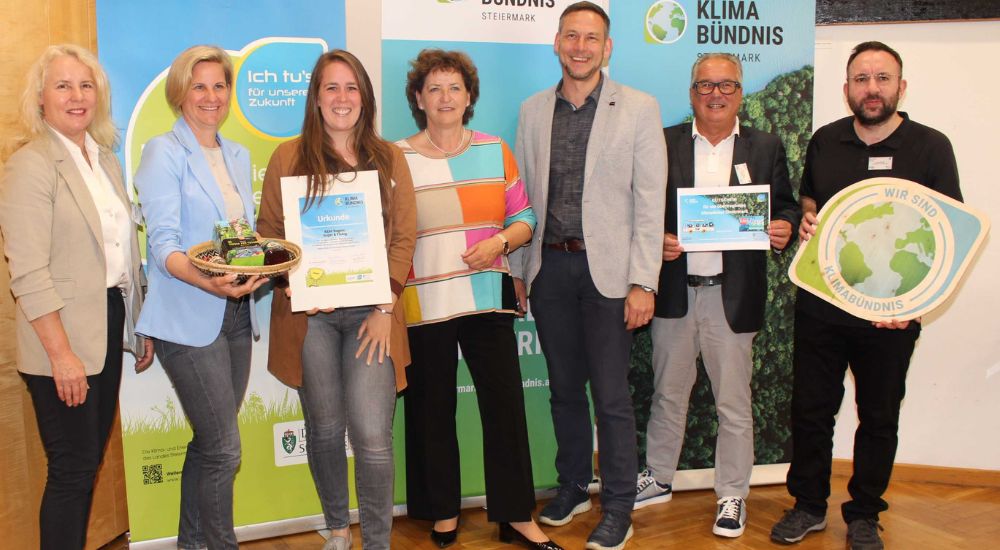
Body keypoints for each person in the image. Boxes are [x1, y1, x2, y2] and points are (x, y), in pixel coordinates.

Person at [769, 41, 962, 550]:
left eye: (881, 78)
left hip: (891, 315)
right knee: (811, 411)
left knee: (879, 416)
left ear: (901, 86)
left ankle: (864, 515)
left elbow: (948, 234)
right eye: (861, 78)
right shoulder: (825, 141)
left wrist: (914, 305)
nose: (871, 88)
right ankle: (808, 505)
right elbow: (811, 197)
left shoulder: (931, 146)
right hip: (823, 306)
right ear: (847, 87)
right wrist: (808, 215)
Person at [509, 3, 667, 549]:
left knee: (612, 395)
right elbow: (522, 200)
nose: (580, 46)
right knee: (562, 389)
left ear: (608, 47)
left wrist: (644, 282)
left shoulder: (639, 108)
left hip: (612, 276)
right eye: (571, 36)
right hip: (550, 268)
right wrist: (520, 270)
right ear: (556, 42)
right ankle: (574, 484)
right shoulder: (532, 110)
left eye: (591, 38)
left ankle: (619, 505)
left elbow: (650, 204)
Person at [396, 49, 561, 550]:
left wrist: (499, 243)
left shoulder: (495, 150)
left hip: (488, 297)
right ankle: (442, 512)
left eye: (455, 88)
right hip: (423, 302)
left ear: (469, 97)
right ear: (419, 99)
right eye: (434, 88)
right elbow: (389, 232)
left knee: (505, 408)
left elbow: (526, 218)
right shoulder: (395, 158)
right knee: (430, 409)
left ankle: (515, 517)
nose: (445, 97)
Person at [256, 49, 416, 550]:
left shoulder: (390, 157)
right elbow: (269, 238)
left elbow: (404, 237)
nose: (342, 98)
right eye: (332, 87)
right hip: (311, 320)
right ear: (316, 98)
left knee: (371, 435)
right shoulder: (288, 157)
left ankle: (377, 542)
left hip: (375, 314)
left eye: (351, 87)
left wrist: (384, 308)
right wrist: (298, 285)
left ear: (364, 96)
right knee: (324, 429)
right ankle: (336, 528)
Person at [635, 53, 799, 538]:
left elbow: (786, 201)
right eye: (705, 85)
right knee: (667, 395)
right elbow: (642, 208)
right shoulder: (664, 144)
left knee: (734, 404)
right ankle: (659, 477)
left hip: (733, 296)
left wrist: (784, 224)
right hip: (675, 295)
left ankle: (732, 495)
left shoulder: (765, 146)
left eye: (726, 85)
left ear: (739, 94)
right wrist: (658, 239)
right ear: (691, 94)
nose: (715, 94)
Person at [0, 44, 153, 550]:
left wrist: (136, 325)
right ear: (40, 98)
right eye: (62, 85)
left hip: (106, 324)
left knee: (85, 464)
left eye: (86, 85)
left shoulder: (103, 158)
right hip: (60, 336)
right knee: (72, 469)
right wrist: (61, 354)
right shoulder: (30, 165)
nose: (76, 95)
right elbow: (27, 273)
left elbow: (121, 254)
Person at [134, 45, 265, 550]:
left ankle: (191, 544)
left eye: (219, 85)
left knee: (210, 446)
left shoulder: (236, 154)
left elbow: (241, 240)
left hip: (236, 315)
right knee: (224, 450)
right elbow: (163, 246)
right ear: (180, 93)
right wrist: (208, 280)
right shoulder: (162, 152)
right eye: (199, 86)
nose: (211, 97)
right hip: (187, 317)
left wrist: (261, 269)